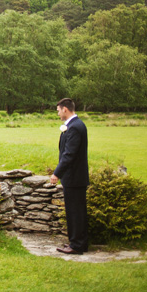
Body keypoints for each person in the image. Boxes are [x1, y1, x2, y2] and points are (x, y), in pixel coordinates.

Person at [50, 98, 89, 255]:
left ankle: (77, 245)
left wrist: (56, 173)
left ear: (65, 109)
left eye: (59, 110)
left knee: (75, 212)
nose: (58, 113)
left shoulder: (74, 127)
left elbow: (69, 154)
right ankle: (76, 242)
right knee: (75, 211)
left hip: (74, 177)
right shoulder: (74, 125)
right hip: (74, 178)